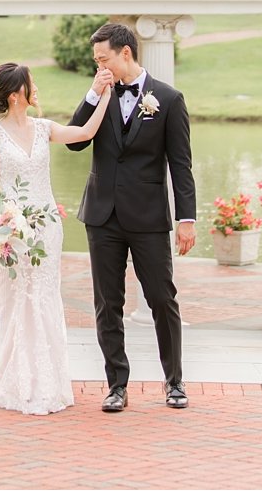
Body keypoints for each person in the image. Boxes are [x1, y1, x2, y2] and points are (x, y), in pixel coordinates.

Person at [0, 63, 111, 414]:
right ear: (17, 94)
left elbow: (84, 133)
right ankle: (13, 378)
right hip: (12, 231)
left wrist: (105, 95)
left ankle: (45, 378)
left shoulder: (44, 128)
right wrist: (1, 225)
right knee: (15, 298)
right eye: (31, 84)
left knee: (43, 297)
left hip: (47, 228)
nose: (37, 89)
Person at [66, 21, 197, 413]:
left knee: (162, 298)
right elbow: (75, 139)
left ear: (125, 53)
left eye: (103, 59)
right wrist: (93, 93)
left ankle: (174, 382)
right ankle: (116, 386)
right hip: (101, 215)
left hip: (149, 216)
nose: (99, 66)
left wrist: (186, 217)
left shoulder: (169, 100)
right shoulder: (99, 94)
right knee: (108, 303)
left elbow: (181, 164)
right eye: (95, 61)